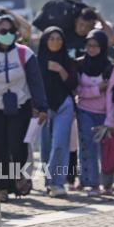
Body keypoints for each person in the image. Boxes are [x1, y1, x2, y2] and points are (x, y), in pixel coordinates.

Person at [0, 15, 48, 202]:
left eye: (11, 31)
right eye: (2, 31)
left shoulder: (25, 53)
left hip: (20, 106)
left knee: (17, 146)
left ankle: (18, 177)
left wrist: (41, 107)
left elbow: (35, 81)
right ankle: (1, 187)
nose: (7, 35)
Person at [76, 29, 114, 197]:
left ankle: (107, 184)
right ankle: (92, 183)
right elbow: (77, 90)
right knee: (87, 147)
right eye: (89, 45)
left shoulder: (109, 67)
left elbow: (111, 96)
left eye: (96, 46)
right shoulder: (79, 64)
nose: (92, 49)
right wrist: (95, 90)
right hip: (85, 110)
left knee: (106, 150)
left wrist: (110, 121)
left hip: (104, 114)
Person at [37, 27, 78, 197]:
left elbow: (73, 85)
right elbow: (34, 86)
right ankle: (49, 181)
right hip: (44, 108)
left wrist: (60, 69)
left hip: (64, 106)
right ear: (45, 41)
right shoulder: (36, 61)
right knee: (46, 147)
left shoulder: (68, 61)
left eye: (59, 38)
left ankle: (57, 182)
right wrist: (38, 107)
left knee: (60, 144)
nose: (55, 41)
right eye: (51, 38)